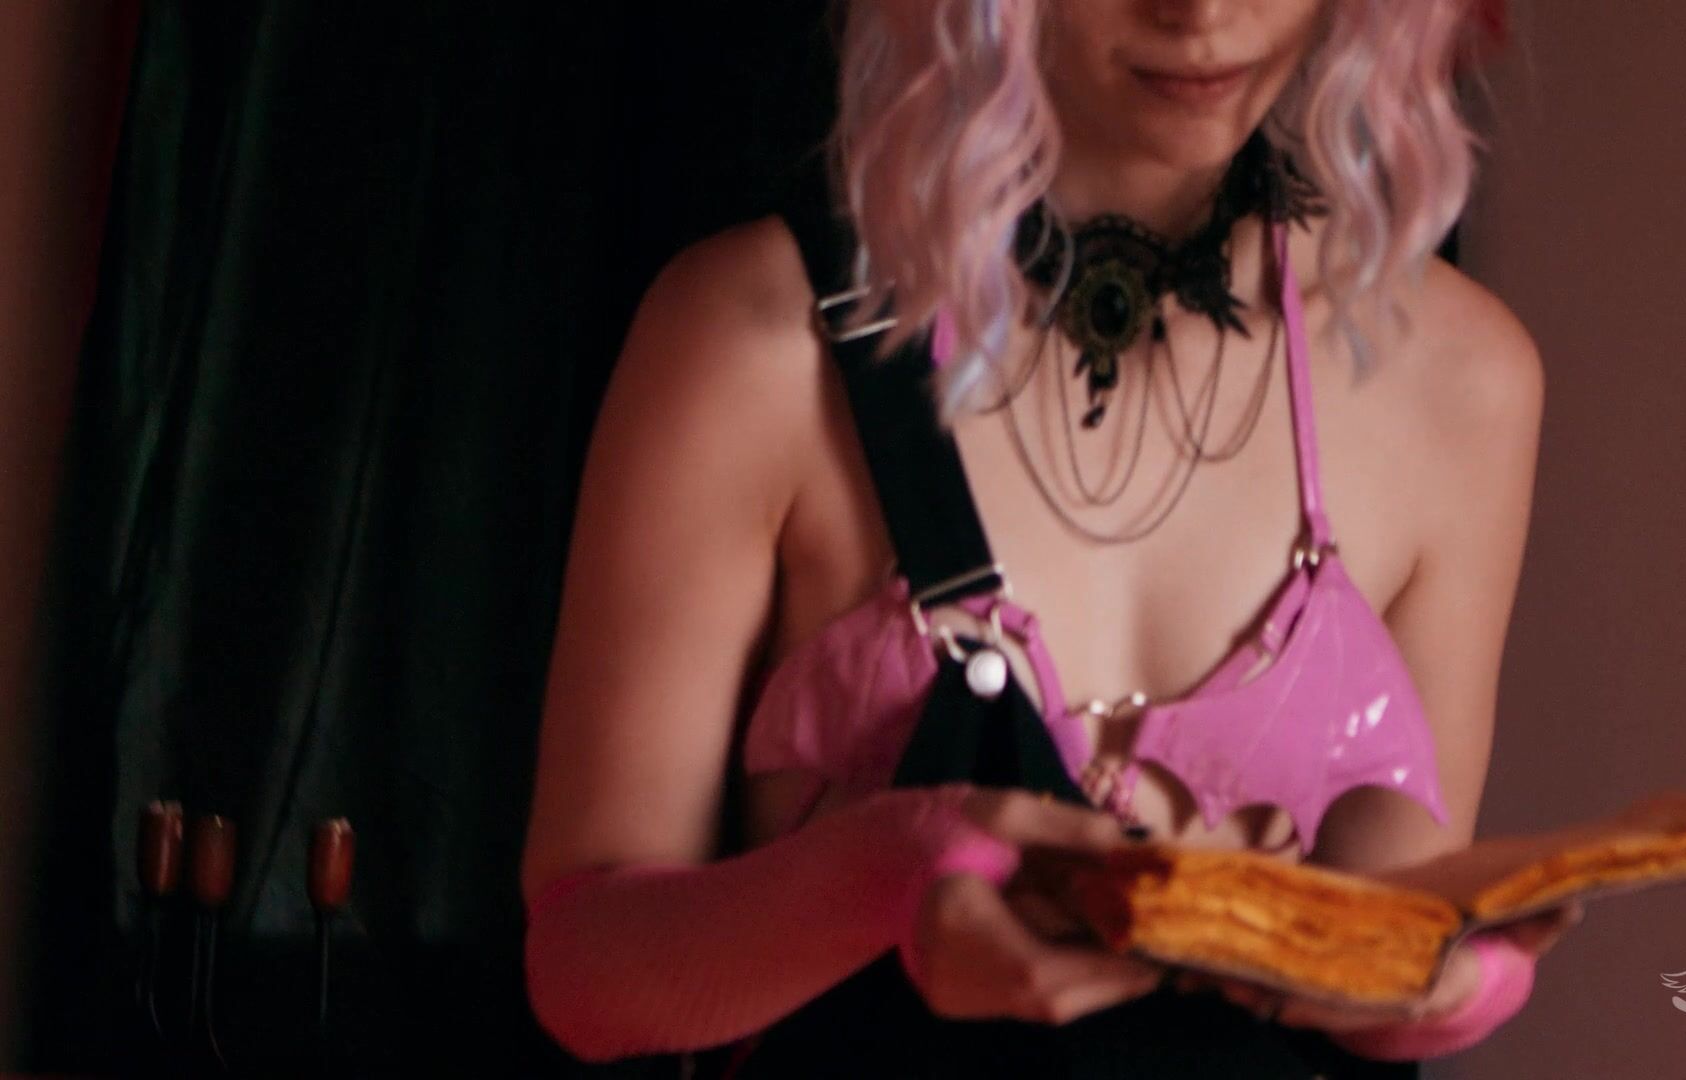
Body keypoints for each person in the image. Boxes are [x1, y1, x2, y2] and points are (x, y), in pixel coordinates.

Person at [518, 0, 1579, 1075]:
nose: (1202, 14)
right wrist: (890, 875)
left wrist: (1454, 982)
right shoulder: (755, 338)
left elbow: (1385, 943)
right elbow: (583, 974)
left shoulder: (1460, 379)